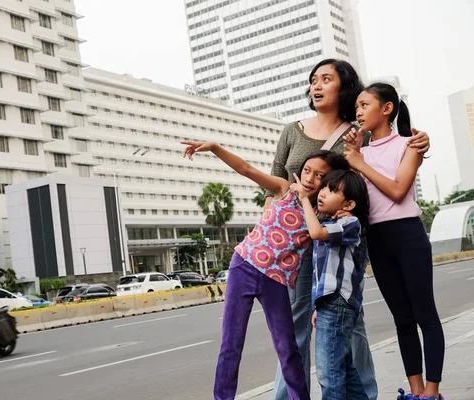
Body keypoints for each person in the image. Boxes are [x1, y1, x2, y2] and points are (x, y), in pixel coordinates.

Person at [266, 58, 431, 400]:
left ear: (344, 87)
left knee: (350, 324)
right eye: (313, 79)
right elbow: (277, 187)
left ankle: (365, 395)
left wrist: (421, 140)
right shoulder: (291, 131)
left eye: (326, 78)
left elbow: (387, 155)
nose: (317, 84)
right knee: (294, 325)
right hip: (296, 241)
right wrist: (269, 239)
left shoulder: (358, 134)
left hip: (342, 243)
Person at [182, 139, 351, 400]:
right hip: (244, 266)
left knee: (287, 348)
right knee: (231, 344)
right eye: (307, 170)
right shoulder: (284, 188)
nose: (309, 178)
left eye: (320, 176)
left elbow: (322, 253)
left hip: (277, 280)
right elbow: (247, 170)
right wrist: (215, 148)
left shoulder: (321, 214)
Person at [344, 83, 445, 400]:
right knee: (401, 319)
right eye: (356, 107)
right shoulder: (357, 154)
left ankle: (431, 393)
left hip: (408, 234)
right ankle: (414, 392)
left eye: (364, 105)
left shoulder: (410, 144)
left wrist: (360, 164)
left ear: (386, 108)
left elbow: (399, 190)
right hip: (378, 238)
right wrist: (355, 159)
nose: (358, 112)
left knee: (424, 315)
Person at [291, 169, 370, 399]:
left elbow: (315, 233)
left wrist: (305, 199)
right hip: (331, 303)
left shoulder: (350, 223)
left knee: (329, 374)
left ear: (349, 204)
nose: (323, 192)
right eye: (324, 187)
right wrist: (318, 306)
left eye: (332, 190)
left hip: (339, 302)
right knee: (346, 373)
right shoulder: (331, 221)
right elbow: (323, 272)